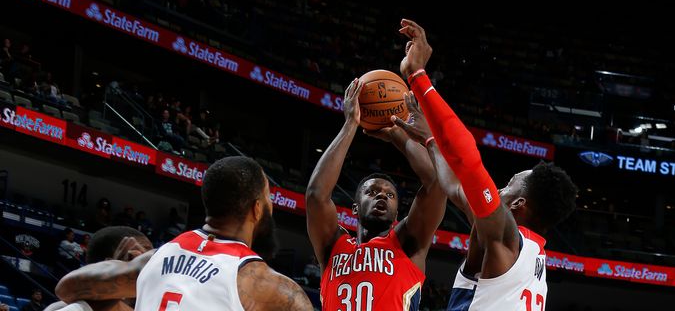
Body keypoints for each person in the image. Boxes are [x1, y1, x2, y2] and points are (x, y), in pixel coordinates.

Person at [395, 19, 578, 310]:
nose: (499, 189)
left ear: (518, 204)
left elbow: (469, 161)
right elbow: (455, 186)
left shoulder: (506, 237)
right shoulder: (531, 255)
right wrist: (430, 141)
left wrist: (417, 77)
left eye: (507, 185)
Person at [55, 156, 312, 311]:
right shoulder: (268, 285)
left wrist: (123, 267)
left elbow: (66, 288)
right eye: (268, 200)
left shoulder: (153, 259)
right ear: (257, 210)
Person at [306, 78, 447, 310]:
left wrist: (397, 136)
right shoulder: (333, 244)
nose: (382, 196)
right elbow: (316, 196)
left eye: (390, 195)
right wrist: (350, 125)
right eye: (372, 192)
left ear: (396, 215)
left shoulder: (407, 243)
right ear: (355, 207)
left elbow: (436, 182)